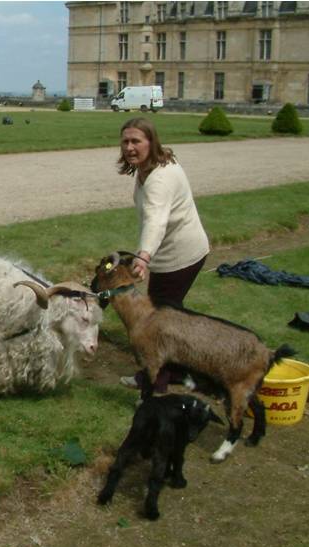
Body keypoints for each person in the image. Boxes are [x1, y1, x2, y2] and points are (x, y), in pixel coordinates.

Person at [117, 117, 210, 389]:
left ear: (151, 142)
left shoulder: (159, 177)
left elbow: (156, 219)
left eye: (136, 141)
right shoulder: (149, 167)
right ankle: (178, 371)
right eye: (125, 141)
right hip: (172, 253)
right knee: (167, 314)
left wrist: (143, 256)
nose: (130, 147)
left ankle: (158, 381)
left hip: (180, 256)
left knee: (159, 320)